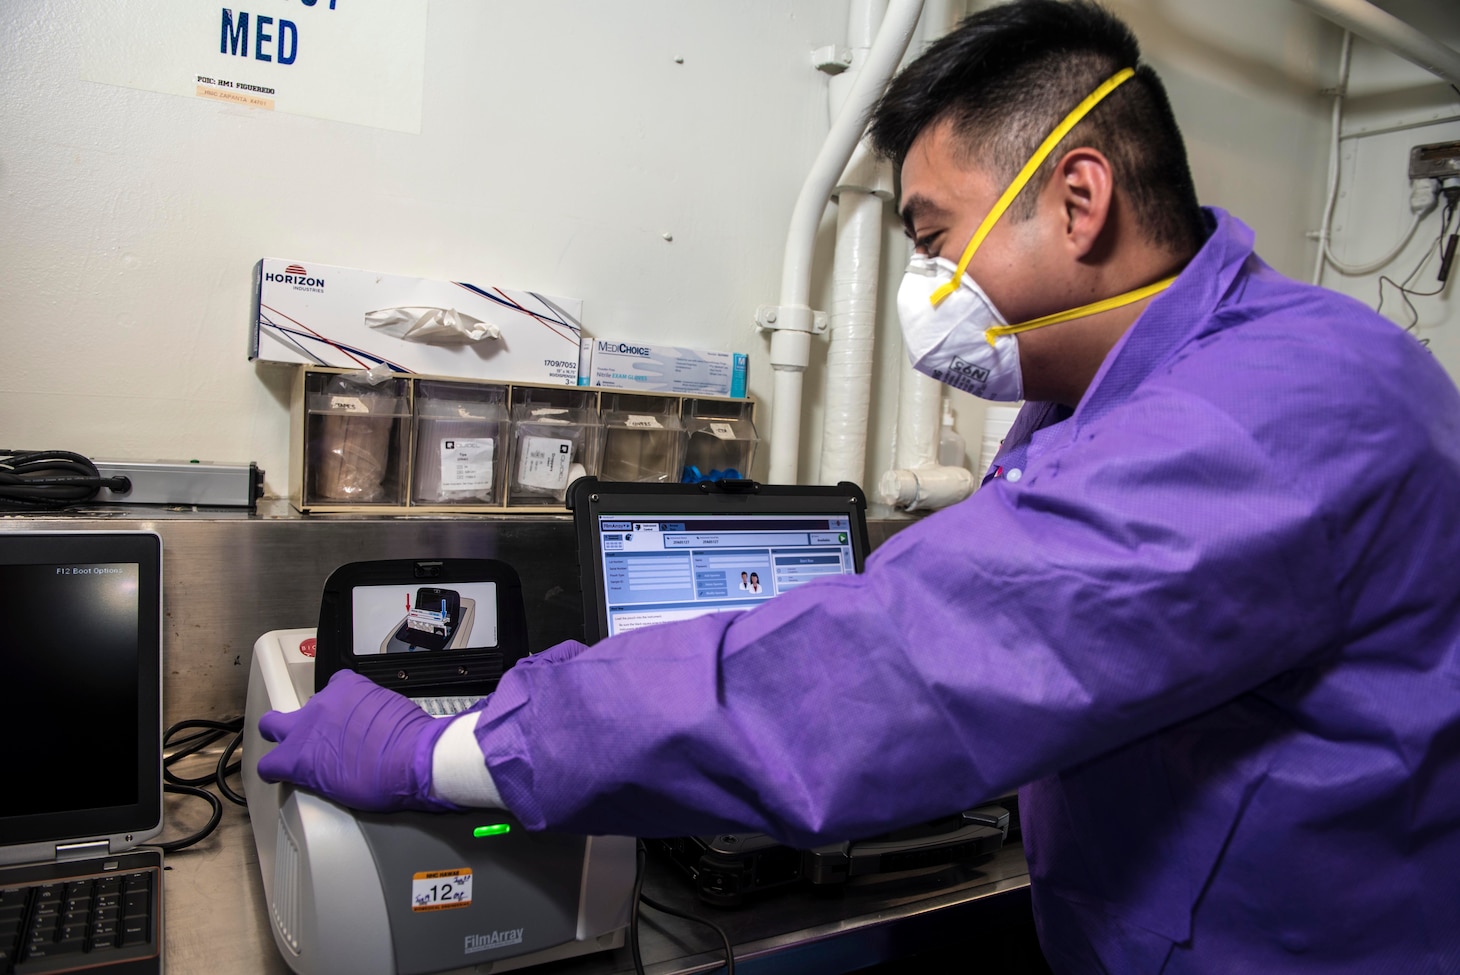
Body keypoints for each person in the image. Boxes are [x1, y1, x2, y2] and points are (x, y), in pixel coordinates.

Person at [257, 2, 1460, 971]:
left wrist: (445, 751)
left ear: (1079, 199)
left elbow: (886, 672)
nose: (927, 284)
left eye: (933, 240)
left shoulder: (1266, 412)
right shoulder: (1142, 390)